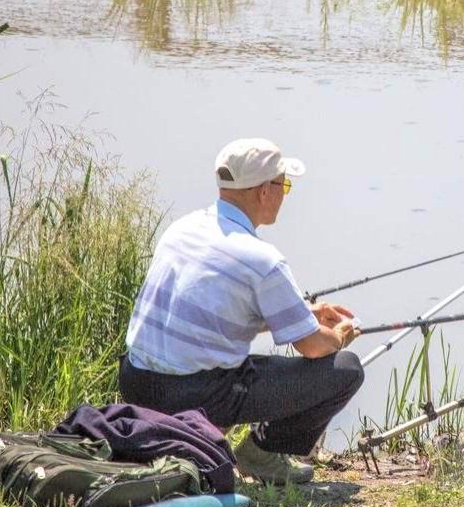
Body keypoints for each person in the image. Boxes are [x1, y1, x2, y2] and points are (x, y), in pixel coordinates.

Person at [118, 138, 364, 485]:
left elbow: (213, 313)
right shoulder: (263, 260)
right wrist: (339, 336)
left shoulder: (182, 229)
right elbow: (313, 347)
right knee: (346, 369)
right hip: (192, 393)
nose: (285, 195)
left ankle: (196, 437)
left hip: (137, 383)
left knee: (233, 364)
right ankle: (261, 453)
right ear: (264, 191)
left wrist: (303, 312)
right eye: (284, 186)